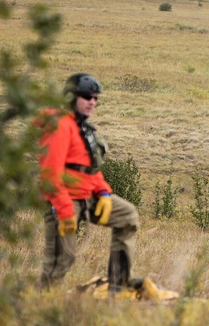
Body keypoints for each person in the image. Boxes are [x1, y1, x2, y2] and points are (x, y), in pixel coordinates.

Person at [36, 73, 140, 292]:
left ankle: (119, 286)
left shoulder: (83, 128)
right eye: (86, 96)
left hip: (87, 196)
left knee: (127, 216)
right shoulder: (59, 126)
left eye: (95, 98)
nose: (92, 102)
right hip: (64, 200)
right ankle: (42, 303)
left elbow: (88, 169)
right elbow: (50, 174)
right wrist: (64, 211)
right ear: (71, 97)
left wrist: (103, 192)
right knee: (62, 261)